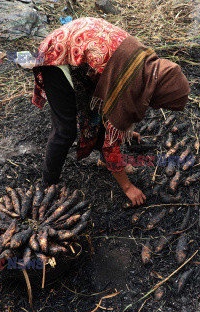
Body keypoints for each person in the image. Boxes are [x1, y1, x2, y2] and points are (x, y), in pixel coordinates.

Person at [27, 17, 190, 207]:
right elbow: (111, 145)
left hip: (82, 46)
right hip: (58, 55)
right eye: (163, 104)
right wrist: (128, 187)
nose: (157, 107)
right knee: (65, 131)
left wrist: (121, 129)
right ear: (159, 94)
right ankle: (47, 185)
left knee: (97, 112)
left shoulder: (148, 66)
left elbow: (109, 107)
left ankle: (103, 162)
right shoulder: (128, 88)